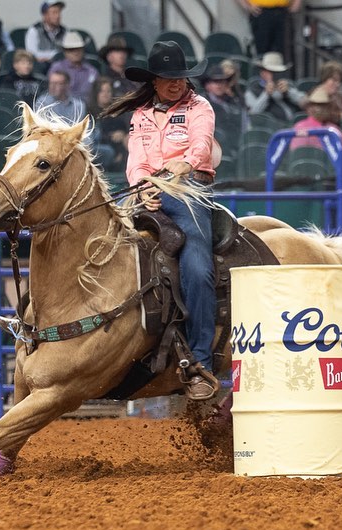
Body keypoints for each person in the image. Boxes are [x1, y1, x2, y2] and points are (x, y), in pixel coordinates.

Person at [101, 40, 219, 401]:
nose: (176, 83)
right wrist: (140, 189)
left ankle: (202, 362)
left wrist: (186, 164)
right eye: (168, 78)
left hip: (188, 192)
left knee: (198, 268)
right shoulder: (140, 117)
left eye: (180, 77)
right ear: (154, 80)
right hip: (148, 193)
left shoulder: (199, 106)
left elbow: (201, 144)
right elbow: (136, 160)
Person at [245, 51, 306, 123]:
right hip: (269, 128)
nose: (276, 75)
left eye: (278, 72)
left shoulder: (288, 85)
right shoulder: (252, 90)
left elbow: (305, 103)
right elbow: (254, 114)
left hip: (293, 126)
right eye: (271, 72)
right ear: (262, 73)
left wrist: (288, 92)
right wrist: (266, 94)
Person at [201, 64, 247, 159]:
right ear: (207, 85)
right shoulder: (202, 104)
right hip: (214, 152)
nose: (219, 85)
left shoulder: (233, 101)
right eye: (215, 81)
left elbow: (244, 124)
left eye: (222, 81)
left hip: (237, 149)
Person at [87, 76, 129, 171]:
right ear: (96, 93)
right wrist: (111, 136)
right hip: (99, 146)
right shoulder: (89, 112)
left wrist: (122, 135)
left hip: (119, 147)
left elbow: (126, 129)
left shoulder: (118, 112)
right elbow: (92, 137)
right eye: (102, 91)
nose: (105, 94)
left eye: (108, 91)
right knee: (108, 151)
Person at [236, 0, 301, 57]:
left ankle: (285, 71)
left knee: (286, 51)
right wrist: (247, 6)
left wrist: (297, 1)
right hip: (261, 12)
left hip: (283, 11)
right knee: (263, 53)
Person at [49, 31, 98, 102]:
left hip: (87, 108)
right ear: (65, 52)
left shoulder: (92, 71)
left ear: (83, 50)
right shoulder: (57, 68)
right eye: (71, 50)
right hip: (61, 106)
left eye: (79, 49)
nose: (76, 52)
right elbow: (52, 92)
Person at [24, 1, 67, 68]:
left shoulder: (65, 31)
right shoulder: (34, 30)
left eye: (59, 12)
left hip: (61, 67)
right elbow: (32, 54)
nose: (58, 16)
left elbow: (67, 53)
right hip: (40, 67)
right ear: (45, 15)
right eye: (54, 12)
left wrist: (49, 57)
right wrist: (55, 55)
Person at [314, 60, 342, 126]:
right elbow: (319, 115)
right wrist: (338, 116)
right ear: (325, 78)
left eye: (339, 81)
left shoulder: (340, 97)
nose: (337, 84)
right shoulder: (315, 95)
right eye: (334, 80)